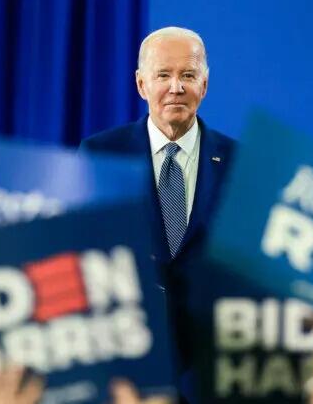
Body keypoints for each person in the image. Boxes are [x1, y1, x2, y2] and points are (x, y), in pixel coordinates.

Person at [80, 27, 236, 403]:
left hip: (212, 363)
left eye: (187, 75)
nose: (176, 87)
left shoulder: (240, 162)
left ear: (205, 84)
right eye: (163, 75)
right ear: (141, 84)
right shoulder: (100, 153)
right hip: (132, 362)